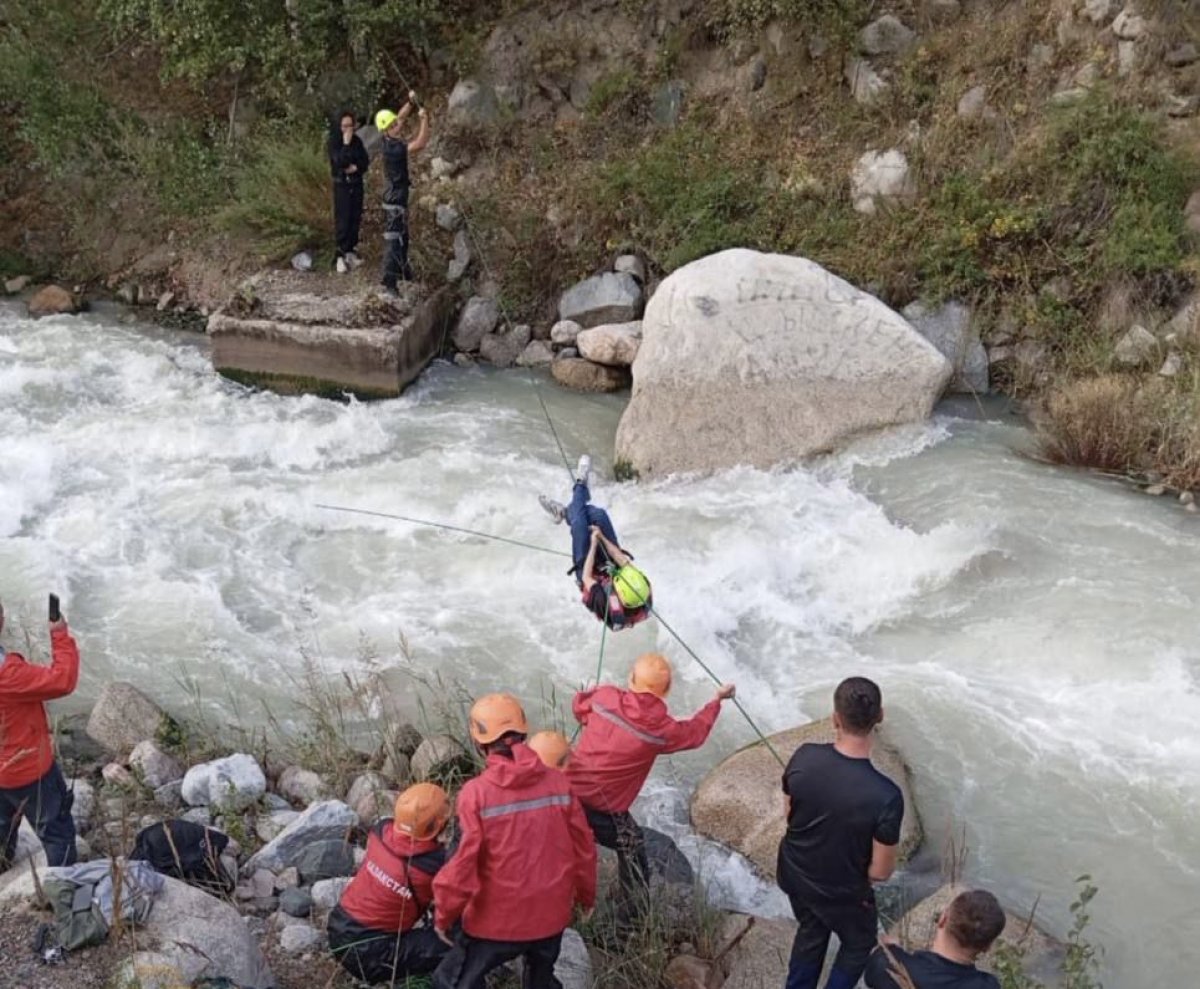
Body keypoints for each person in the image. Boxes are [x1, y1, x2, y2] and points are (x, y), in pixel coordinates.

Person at [432, 693, 596, 989]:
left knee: (451, 980)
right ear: (524, 733)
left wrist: (444, 915)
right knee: (540, 979)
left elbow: (461, 865)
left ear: (480, 744)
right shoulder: (559, 783)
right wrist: (586, 896)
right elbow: (584, 847)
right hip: (552, 919)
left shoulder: (475, 794)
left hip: (494, 926)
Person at [566, 653, 735, 929]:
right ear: (666, 692)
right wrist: (717, 701)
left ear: (631, 678)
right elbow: (695, 733)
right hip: (606, 812)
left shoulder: (605, 697)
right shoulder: (661, 730)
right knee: (633, 850)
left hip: (566, 795)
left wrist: (589, 693)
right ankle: (629, 920)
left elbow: (579, 707)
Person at [777, 677, 904, 989]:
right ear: (880, 716)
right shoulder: (886, 796)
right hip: (841, 893)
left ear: (835, 718)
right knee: (858, 944)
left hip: (795, 873)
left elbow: (789, 814)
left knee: (812, 927)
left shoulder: (804, 755)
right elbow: (881, 871)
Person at [328, 783, 452, 984]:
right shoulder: (433, 866)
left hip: (337, 929)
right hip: (372, 954)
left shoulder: (380, 831)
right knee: (456, 942)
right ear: (438, 826)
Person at [0, 596, 80, 871]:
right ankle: (65, 893)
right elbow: (63, 679)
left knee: (2, 827)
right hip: (29, 772)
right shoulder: (10, 675)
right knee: (57, 833)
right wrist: (59, 634)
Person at [539, 454, 653, 630]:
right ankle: (564, 512)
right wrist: (601, 536)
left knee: (579, 524)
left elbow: (586, 577)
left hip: (589, 576)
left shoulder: (604, 602)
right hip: (610, 568)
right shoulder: (643, 588)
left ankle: (580, 484)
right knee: (597, 515)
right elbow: (620, 558)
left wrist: (593, 544)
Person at [864, 889, 1006, 989]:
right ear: (987, 947)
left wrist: (892, 950)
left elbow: (870, 976)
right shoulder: (987, 985)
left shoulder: (886, 964)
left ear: (942, 920)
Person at [374, 92, 430, 295]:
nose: (398, 125)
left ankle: (403, 271)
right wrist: (424, 119)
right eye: (393, 125)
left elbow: (400, 116)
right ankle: (389, 282)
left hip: (398, 199)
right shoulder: (394, 148)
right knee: (393, 240)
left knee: (403, 238)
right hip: (395, 201)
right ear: (388, 130)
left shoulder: (387, 137)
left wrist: (410, 100)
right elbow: (420, 143)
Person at [328, 109, 370, 274]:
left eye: (350, 126)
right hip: (342, 186)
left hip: (356, 183)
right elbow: (339, 162)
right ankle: (339, 255)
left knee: (355, 218)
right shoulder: (334, 142)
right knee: (343, 220)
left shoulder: (358, 142)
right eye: (344, 126)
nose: (347, 129)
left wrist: (356, 167)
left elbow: (364, 162)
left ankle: (350, 251)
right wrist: (345, 144)